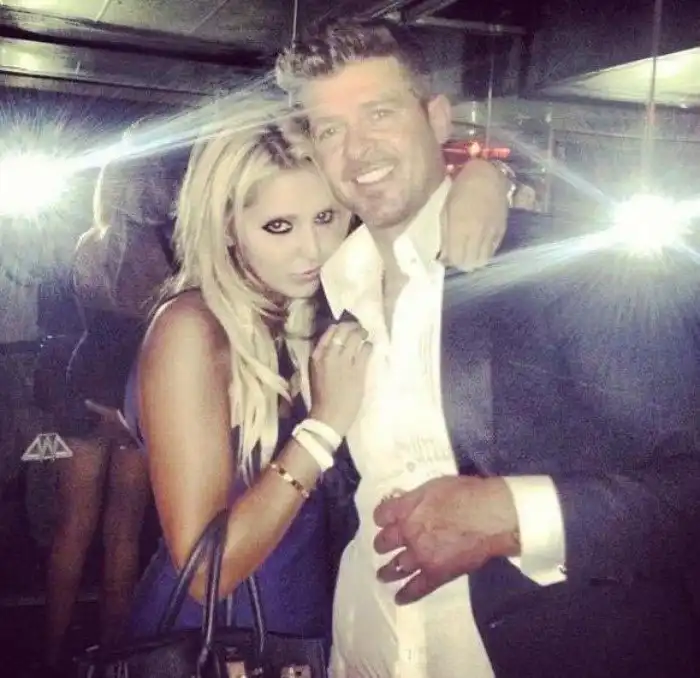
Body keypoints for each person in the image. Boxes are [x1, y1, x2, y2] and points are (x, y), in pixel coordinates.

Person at [276, 17, 700, 678]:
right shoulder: (327, 297)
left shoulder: (567, 266)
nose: (357, 151)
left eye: (380, 113)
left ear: (437, 119)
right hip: (365, 652)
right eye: (331, 130)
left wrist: (510, 513)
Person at [126, 111, 509, 651]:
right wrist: (323, 427)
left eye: (326, 217)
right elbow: (206, 570)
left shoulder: (316, 310)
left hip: (309, 629)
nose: (312, 250)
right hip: (215, 641)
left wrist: (487, 178)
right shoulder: (192, 328)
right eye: (279, 226)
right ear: (227, 226)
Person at [44, 135, 181, 676]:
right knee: (124, 532)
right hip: (134, 393)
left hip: (87, 385)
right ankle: (111, 659)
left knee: (71, 529)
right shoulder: (168, 250)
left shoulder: (90, 243)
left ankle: (51, 657)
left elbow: (89, 322)